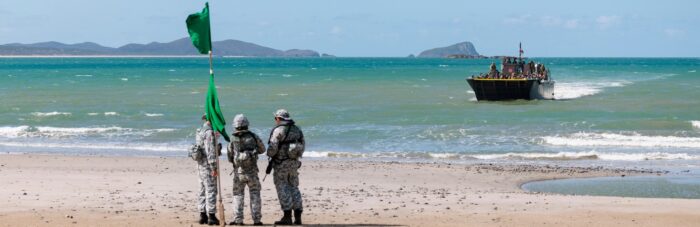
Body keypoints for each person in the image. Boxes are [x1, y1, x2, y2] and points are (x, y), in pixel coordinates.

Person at [267, 109, 305, 225]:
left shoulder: (278, 130)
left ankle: (287, 216)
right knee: (294, 187)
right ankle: (298, 217)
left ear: (279, 118)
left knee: (282, 188)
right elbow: (303, 145)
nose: (275, 121)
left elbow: (272, 149)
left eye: (276, 118)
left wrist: (269, 155)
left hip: (280, 164)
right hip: (294, 163)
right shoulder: (297, 129)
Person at [227, 114, 265, 226]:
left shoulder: (232, 138)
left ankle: (238, 220)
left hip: (239, 172)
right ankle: (257, 220)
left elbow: (230, 156)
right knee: (255, 194)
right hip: (252, 171)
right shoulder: (253, 136)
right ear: (246, 124)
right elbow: (262, 149)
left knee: (238, 194)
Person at [195, 114, 221, 225]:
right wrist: (214, 168)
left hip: (200, 165)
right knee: (211, 190)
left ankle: (202, 215)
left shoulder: (200, 130)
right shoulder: (209, 132)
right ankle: (211, 216)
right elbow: (210, 152)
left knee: (202, 189)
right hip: (207, 165)